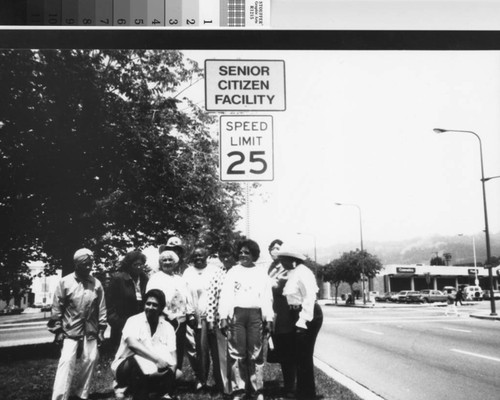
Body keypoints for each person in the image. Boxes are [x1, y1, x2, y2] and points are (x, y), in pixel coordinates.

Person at [48, 248, 107, 400]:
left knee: (91, 359)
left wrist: (101, 329)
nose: (89, 267)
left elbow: (101, 308)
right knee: (66, 361)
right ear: (77, 264)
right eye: (85, 264)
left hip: (91, 329)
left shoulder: (96, 284)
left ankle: (82, 394)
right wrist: (58, 330)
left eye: (91, 264)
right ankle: (60, 396)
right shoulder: (65, 282)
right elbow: (57, 308)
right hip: (70, 329)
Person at [218, 239, 274, 400]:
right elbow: (226, 296)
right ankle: (239, 390)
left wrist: (268, 318)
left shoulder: (261, 272)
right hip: (237, 315)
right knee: (236, 354)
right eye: (241, 252)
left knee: (256, 353)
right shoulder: (233, 272)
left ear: (254, 255)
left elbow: (266, 297)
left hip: (255, 315)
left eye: (247, 252)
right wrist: (223, 317)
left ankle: (257, 391)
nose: (243, 255)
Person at [111, 289, 178, 400]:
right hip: (126, 365)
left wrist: (170, 375)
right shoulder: (133, 321)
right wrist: (157, 360)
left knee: (177, 374)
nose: (150, 307)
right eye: (148, 304)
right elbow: (133, 345)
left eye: (155, 305)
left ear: (161, 308)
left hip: (151, 366)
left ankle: (154, 391)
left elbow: (173, 357)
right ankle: (135, 391)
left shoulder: (168, 327)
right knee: (137, 362)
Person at [277, 244, 323, 400]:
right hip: (296, 314)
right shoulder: (293, 273)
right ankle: (303, 391)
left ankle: (307, 394)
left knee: (304, 355)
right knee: (300, 356)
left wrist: (302, 322)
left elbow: (310, 298)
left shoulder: (304, 273)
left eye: (283, 260)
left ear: (292, 260)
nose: (281, 263)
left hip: (307, 314)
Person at [147, 249, 193, 377]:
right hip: (163, 319)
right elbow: (151, 299)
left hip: (180, 320)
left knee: (177, 349)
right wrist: (167, 315)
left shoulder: (180, 279)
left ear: (175, 262)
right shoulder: (155, 278)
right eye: (164, 260)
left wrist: (189, 314)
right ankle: (161, 379)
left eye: (170, 260)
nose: (167, 262)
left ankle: (174, 377)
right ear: (160, 263)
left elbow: (187, 298)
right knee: (163, 348)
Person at [182, 245, 220, 390]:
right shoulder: (188, 272)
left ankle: (220, 380)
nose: (198, 258)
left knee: (217, 350)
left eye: (201, 255)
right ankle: (202, 380)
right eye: (195, 256)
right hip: (198, 317)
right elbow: (186, 295)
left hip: (214, 316)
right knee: (201, 350)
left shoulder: (215, 271)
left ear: (207, 256)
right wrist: (190, 314)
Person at [206, 242, 237, 398]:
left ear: (234, 256)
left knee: (238, 355)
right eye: (222, 256)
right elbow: (211, 298)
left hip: (239, 320)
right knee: (223, 355)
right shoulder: (217, 274)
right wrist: (210, 319)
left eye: (228, 255)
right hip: (220, 322)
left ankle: (240, 386)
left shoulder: (240, 272)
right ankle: (226, 388)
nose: (225, 258)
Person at [266, 239, 297, 398]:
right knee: (280, 350)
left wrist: (266, 283)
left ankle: (290, 386)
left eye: (278, 248)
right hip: (274, 314)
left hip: (285, 315)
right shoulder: (271, 267)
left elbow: (280, 287)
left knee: (288, 352)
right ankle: (288, 384)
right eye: (273, 248)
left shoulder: (285, 267)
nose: (275, 251)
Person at [106, 251, 149, 350]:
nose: (139, 267)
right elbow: (109, 304)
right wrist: (116, 321)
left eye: (141, 265)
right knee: (121, 354)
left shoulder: (144, 279)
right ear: (129, 265)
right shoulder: (118, 279)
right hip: (121, 323)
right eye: (135, 265)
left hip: (139, 323)